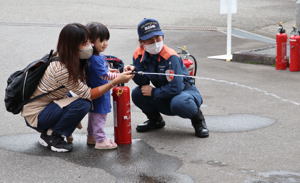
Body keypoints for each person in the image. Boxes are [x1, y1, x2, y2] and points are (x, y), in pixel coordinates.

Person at [21, 23, 133, 153]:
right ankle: (53, 137)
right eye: (85, 43)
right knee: (83, 103)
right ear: (73, 45)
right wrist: (116, 81)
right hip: (37, 115)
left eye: (89, 41)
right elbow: (89, 94)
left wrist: (117, 72)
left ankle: (54, 132)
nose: (90, 46)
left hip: (48, 105)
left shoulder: (70, 57)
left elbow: (97, 72)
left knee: (77, 100)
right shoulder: (62, 69)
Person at [131, 18, 209, 138]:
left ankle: (198, 120)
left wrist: (154, 92)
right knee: (137, 93)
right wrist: (134, 72)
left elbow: (176, 87)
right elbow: (143, 82)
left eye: (158, 38)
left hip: (184, 92)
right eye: (150, 40)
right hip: (164, 94)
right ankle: (156, 121)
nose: (155, 42)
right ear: (142, 42)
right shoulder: (138, 54)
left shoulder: (171, 56)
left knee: (180, 103)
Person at [85, 22, 128, 150]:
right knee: (100, 116)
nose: (105, 43)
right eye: (101, 40)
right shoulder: (96, 58)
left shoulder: (92, 56)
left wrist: (113, 72)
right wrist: (121, 76)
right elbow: (104, 76)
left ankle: (92, 137)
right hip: (101, 91)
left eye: (106, 40)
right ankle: (100, 140)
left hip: (95, 89)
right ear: (92, 41)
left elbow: (102, 72)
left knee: (94, 115)